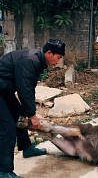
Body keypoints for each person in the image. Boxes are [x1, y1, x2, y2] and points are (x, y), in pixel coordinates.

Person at [0, 38, 66, 177]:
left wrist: (29, 112)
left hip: (4, 89)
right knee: (8, 128)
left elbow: (29, 88)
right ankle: (4, 171)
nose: (58, 61)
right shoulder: (30, 61)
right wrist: (32, 115)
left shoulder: (38, 61)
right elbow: (24, 90)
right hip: (1, 90)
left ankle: (26, 148)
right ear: (49, 53)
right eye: (58, 57)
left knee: (20, 116)